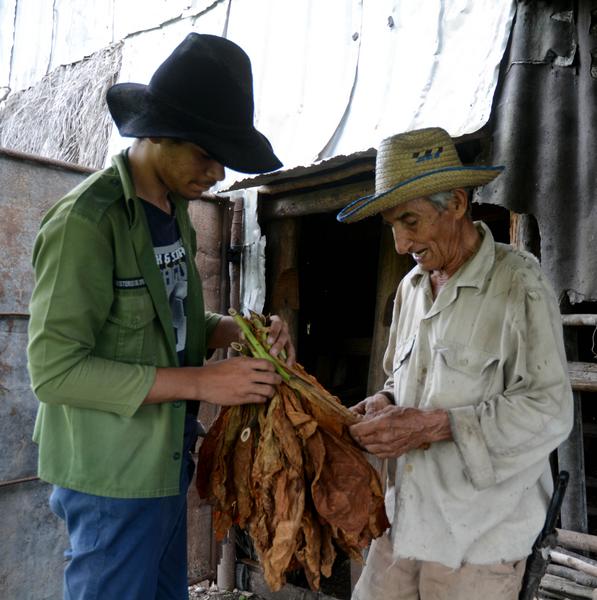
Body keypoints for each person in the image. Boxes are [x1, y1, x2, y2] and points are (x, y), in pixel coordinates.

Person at [27, 33, 295, 600]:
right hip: (111, 476)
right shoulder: (87, 222)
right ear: (158, 132)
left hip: (165, 460)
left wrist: (239, 331)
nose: (218, 174)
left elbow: (169, 329)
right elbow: (54, 371)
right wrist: (202, 381)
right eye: (207, 155)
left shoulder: (175, 213)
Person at [337, 127, 573, 600]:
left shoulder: (518, 283)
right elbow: (400, 381)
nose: (402, 244)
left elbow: (550, 410)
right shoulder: (410, 289)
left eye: (411, 221)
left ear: (458, 204)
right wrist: (385, 402)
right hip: (403, 524)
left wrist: (434, 426)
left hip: (480, 540)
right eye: (392, 226)